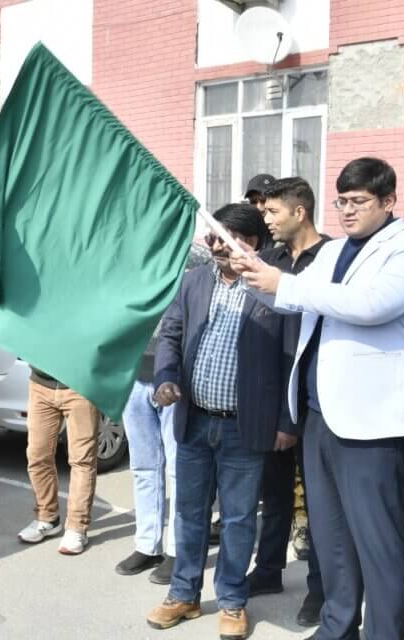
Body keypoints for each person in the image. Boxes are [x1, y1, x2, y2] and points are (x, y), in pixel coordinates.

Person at [233, 157, 404, 640]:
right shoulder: (334, 252)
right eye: (341, 201)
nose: (347, 210)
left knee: (377, 542)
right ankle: (338, 627)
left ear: (388, 202)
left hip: (375, 422)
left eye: (358, 201)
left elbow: (370, 306)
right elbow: (293, 298)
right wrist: (249, 271)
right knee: (331, 539)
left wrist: (285, 284)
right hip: (320, 413)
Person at [146, 203, 291, 640]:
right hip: (194, 420)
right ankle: (184, 594)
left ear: (252, 243)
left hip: (244, 427)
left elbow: (290, 357)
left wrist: (287, 422)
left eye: (227, 238)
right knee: (189, 514)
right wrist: (166, 377)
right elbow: (171, 335)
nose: (216, 245)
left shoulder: (272, 287)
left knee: (238, 518)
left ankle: (231, 599)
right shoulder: (193, 281)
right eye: (212, 237)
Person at [246, 177, 328, 628]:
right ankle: (268, 571)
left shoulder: (332, 258)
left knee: (318, 503)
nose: (266, 219)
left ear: (300, 212)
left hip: (315, 401)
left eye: (273, 212)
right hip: (273, 395)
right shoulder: (270, 261)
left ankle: (320, 589)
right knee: (274, 494)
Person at [114, 334, 179, 582]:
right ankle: (148, 546)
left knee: (179, 471)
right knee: (144, 467)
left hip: (175, 380)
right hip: (135, 376)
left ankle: (178, 550)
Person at [16, 367, 100, 556]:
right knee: (37, 455)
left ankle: (77, 527)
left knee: (82, 461)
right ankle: (47, 518)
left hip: (81, 386)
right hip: (41, 383)